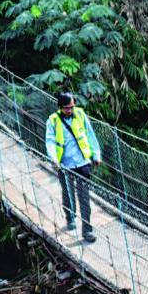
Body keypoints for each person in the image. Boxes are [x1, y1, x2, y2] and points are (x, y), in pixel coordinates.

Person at [45, 92, 102, 244]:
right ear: (60, 107)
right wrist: (54, 159)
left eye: (72, 107)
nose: (70, 110)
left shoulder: (80, 115)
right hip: (65, 165)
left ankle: (87, 230)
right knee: (68, 192)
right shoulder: (52, 121)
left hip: (82, 162)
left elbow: (90, 135)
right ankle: (70, 217)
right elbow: (50, 141)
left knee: (84, 197)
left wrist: (96, 155)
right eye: (67, 108)